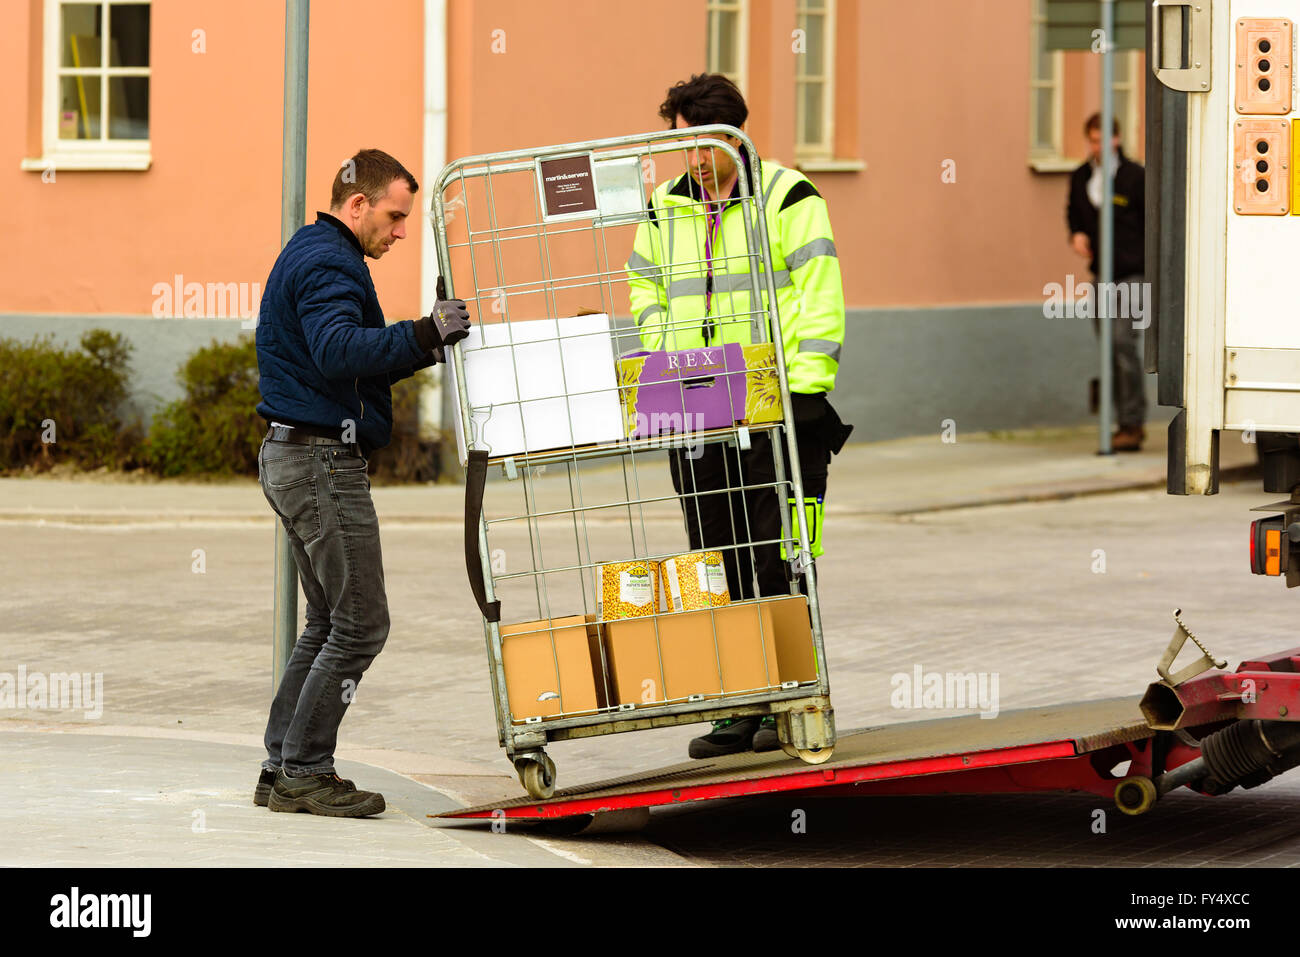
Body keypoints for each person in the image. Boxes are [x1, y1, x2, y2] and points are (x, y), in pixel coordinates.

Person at [626, 74, 851, 758]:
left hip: (768, 406)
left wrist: (804, 389)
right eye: (681, 144)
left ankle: (788, 694)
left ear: (733, 136)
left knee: (774, 554)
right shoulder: (665, 205)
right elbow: (644, 285)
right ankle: (733, 704)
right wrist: (665, 352)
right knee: (712, 557)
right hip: (691, 409)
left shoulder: (788, 195)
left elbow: (820, 293)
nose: (690, 158)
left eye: (701, 143)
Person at [253, 148, 471, 817]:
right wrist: (418, 332)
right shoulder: (328, 261)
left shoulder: (320, 251)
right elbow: (338, 350)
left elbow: (346, 367)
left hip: (298, 454)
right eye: (395, 215)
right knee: (360, 624)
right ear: (357, 205)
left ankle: (281, 764)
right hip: (319, 463)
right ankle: (305, 769)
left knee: (326, 623)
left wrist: (427, 343)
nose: (401, 231)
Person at [1067, 113, 1147, 451]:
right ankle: (1115, 421)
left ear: (1117, 139)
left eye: (1104, 139)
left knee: (1121, 343)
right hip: (1102, 274)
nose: (1098, 146)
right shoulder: (1082, 175)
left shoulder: (1134, 177)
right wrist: (1077, 234)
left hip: (1132, 273)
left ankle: (1132, 421)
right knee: (1106, 350)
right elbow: (1073, 211)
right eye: (1093, 140)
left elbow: (1151, 221)